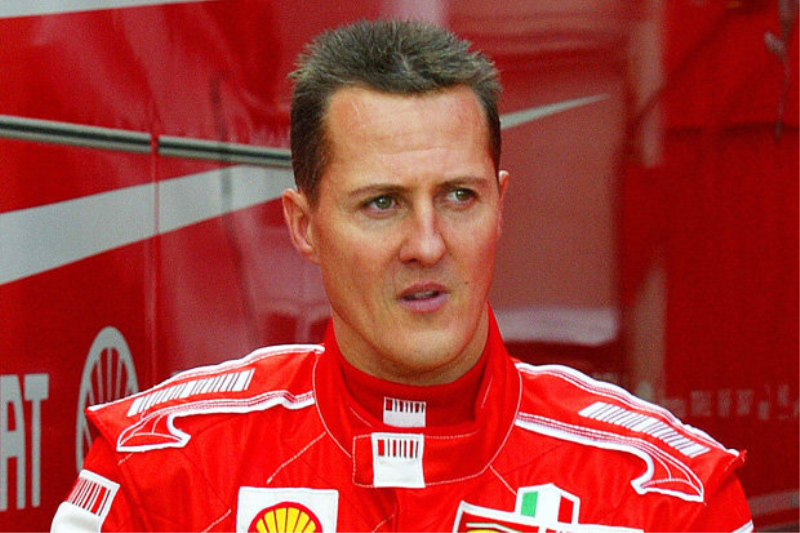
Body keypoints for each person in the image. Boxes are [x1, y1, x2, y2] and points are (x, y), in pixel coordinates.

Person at [52, 20, 753, 532]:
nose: (427, 243)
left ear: (501, 206)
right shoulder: (155, 470)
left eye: (459, 196)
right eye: (382, 203)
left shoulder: (669, 496)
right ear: (303, 225)